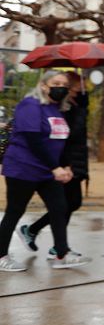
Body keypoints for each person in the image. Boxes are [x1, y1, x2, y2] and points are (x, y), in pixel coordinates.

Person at [0, 71, 90, 271]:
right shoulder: (30, 105)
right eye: (55, 83)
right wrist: (55, 167)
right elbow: (34, 140)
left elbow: (60, 141)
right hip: (23, 168)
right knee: (15, 211)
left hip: (46, 171)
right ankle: (1, 255)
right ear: (43, 85)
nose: (60, 87)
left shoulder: (56, 108)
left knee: (60, 207)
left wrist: (66, 166)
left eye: (64, 84)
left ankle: (61, 254)